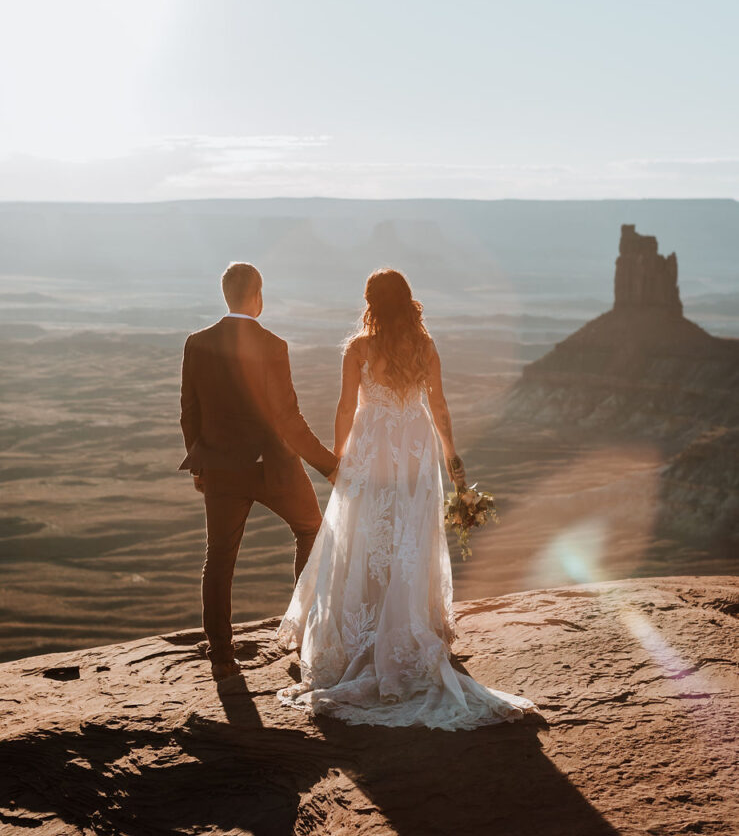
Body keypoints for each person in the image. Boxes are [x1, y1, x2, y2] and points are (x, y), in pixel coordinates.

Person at [276, 268, 541, 729]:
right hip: (415, 448)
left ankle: (365, 631)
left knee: (364, 536)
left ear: (371, 302)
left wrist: (340, 461)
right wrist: (453, 457)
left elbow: (344, 407)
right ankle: (405, 628)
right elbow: (439, 406)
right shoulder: (425, 345)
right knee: (407, 535)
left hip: (372, 445)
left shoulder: (358, 348)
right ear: (408, 300)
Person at [179, 262, 338, 681]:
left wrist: (199, 464)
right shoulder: (273, 345)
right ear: (258, 296)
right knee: (311, 530)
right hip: (275, 470)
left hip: (221, 471)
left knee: (219, 559)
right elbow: (288, 419)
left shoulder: (197, 343)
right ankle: (303, 632)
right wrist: (329, 466)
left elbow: (189, 412)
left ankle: (220, 654)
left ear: (226, 295)